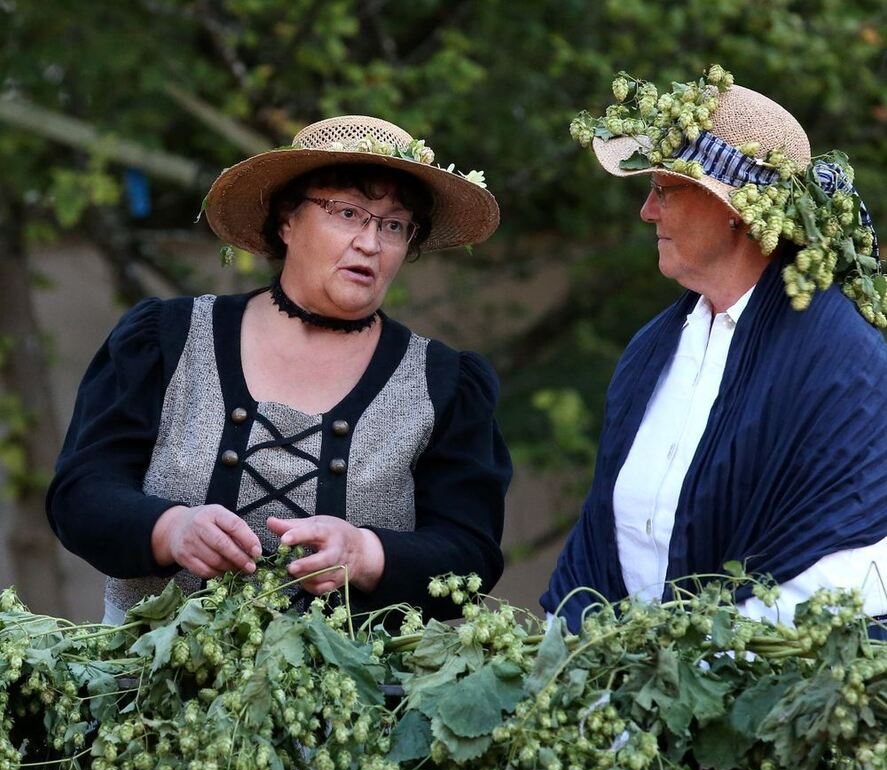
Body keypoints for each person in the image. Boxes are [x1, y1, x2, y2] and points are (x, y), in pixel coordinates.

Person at [47, 115, 512, 625]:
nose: (371, 244)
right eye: (348, 213)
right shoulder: (164, 339)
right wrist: (171, 529)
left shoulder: (443, 383)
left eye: (394, 225)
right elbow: (81, 493)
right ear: (287, 221)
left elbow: (470, 551)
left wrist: (364, 554)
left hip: (357, 696)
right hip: (147, 688)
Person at [542, 66, 887, 632]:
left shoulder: (839, 358)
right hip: (642, 693)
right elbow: (604, 540)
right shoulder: (652, 349)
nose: (646, 211)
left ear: (732, 208)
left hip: (775, 687)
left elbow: (840, 556)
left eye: (662, 189)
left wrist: (700, 659)